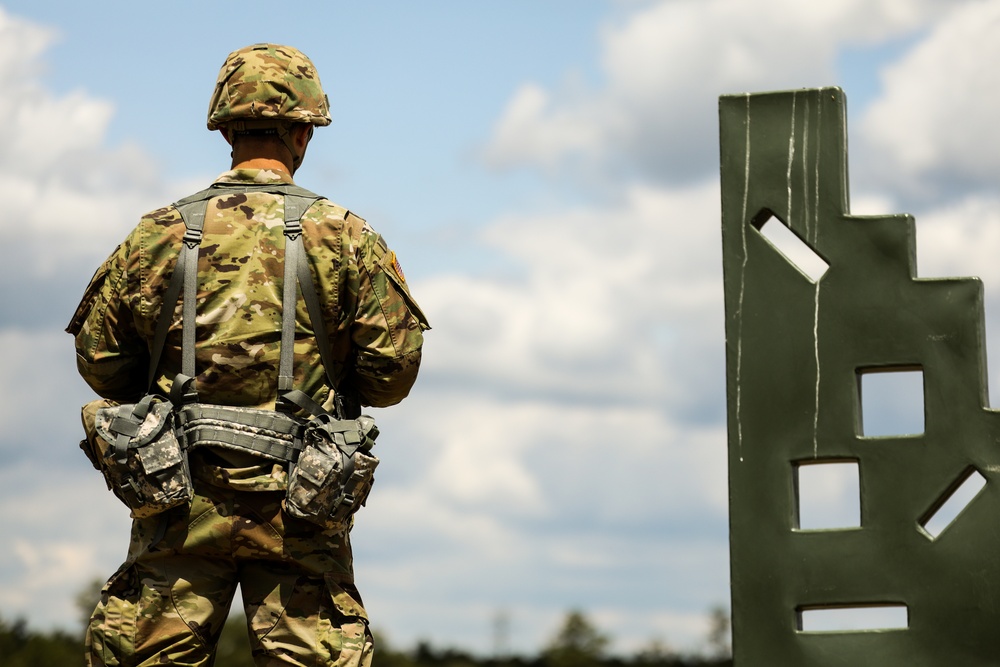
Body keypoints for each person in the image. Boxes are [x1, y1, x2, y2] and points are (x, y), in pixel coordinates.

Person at [67, 43, 429, 666]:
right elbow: (390, 375)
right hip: (301, 513)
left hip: (176, 504)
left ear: (226, 128)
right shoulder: (345, 236)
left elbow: (102, 365)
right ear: (302, 132)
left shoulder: (158, 233)